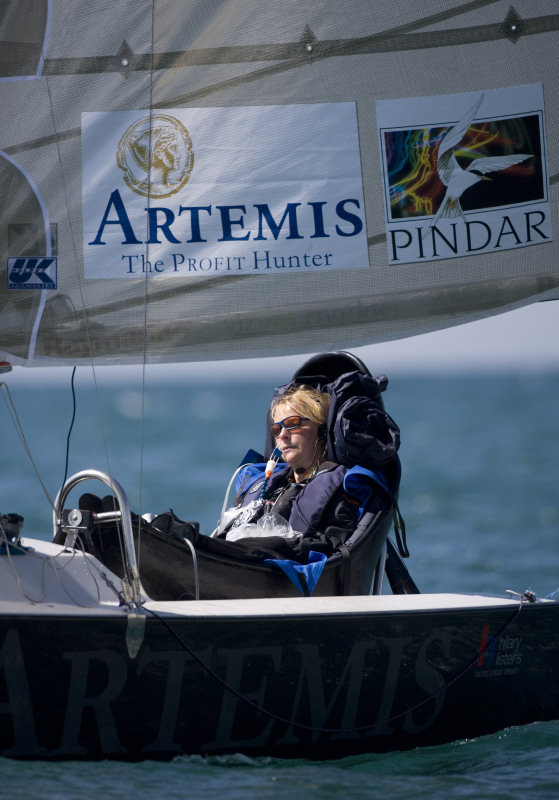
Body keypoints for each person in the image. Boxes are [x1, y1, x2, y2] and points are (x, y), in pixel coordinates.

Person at [215, 383, 387, 563]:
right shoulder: (266, 482)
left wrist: (278, 546)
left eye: (292, 424)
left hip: (281, 579)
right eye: (276, 429)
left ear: (322, 429)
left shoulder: (342, 488)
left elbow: (335, 547)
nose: (282, 435)